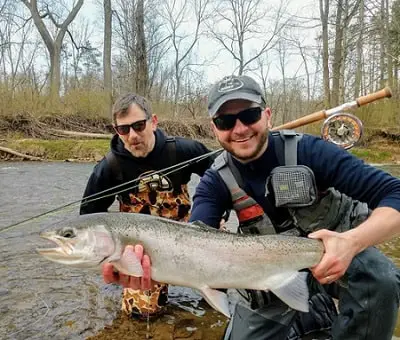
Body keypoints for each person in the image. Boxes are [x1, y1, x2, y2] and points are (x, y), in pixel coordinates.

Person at [187, 74, 400, 340]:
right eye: (225, 121)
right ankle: (313, 311)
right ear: (214, 128)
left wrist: (352, 243)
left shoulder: (311, 152)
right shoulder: (214, 181)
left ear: (267, 115)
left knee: (380, 278)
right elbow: (194, 243)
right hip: (268, 273)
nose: (239, 129)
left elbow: (395, 194)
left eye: (250, 115)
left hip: (334, 262)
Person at [80, 92, 213, 319]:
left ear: (154, 121)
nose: (132, 136)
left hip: (188, 237)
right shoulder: (109, 167)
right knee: (141, 313)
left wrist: (217, 213)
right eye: (124, 129)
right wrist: (112, 261)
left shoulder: (183, 150)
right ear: (116, 130)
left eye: (139, 126)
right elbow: (89, 218)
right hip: (140, 253)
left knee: (223, 289)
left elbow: (220, 179)